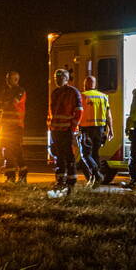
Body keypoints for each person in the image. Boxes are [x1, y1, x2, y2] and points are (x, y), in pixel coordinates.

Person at [47, 69, 82, 197]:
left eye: (60, 77)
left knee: (69, 156)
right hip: (56, 130)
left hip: (67, 130)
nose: (57, 79)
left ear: (66, 78)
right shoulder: (55, 92)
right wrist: (51, 127)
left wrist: (73, 129)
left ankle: (71, 182)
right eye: (56, 77)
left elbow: (79, 111)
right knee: (59, 156)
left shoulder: (73, 92)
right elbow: (52, 112)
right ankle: (60, 180)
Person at [79, 76, 113, 188]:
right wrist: (110, 130)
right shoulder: (103, 97)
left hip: (86, 129)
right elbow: (108, 115)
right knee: (95, 154)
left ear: (86, 84)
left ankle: (94, 176)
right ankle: (95, 181)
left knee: (85, 154)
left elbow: (78, 113)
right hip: (99, 130)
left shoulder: (83, 96)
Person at [0, 70, 27, 183]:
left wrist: (4, 104)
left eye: (10, 79)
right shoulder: (5, 91)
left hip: (16, 125)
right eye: (7, 78)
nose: (7, 81)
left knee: (17, 150)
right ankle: (10, 177)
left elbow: (14, 102)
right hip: (6, 126)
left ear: (16, 80)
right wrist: (5, 104)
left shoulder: (20, 91)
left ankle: (23, 176)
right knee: (7, 151)